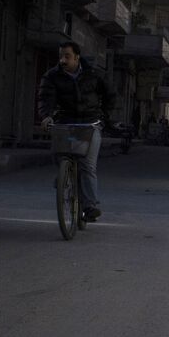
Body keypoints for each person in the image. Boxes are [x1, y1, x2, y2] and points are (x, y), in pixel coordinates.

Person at [38, 41, 115, 222]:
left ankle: (90, 206)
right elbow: (45, 98)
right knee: (60, 155)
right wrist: (47, 116)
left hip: (90, 124)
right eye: (61, 56)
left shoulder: (94, 74)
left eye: (67, 56)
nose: (63, 60)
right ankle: (65, 177)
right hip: (66, 123)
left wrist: (104, 115)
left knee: (87, 165)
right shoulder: (52, 76)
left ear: (77, 57)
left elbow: (110, 95)